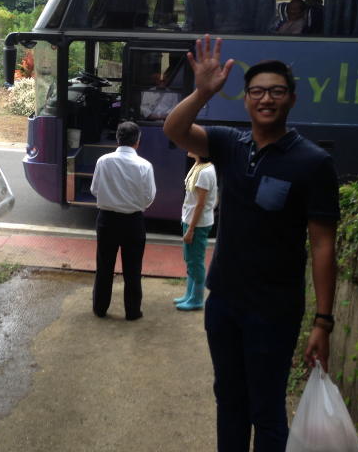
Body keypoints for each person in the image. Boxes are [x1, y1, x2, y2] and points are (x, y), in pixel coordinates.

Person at [163, 35, 339, 452]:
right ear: (245, 100)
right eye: (257, 91)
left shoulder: (314, 162)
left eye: (276, 91)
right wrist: (203, 92)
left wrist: (323, 322)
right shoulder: (229, 144)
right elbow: (175, 130)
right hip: (224, 302)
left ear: (292, 99)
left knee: (267, 409)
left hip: (274, 309)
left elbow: (323, 246)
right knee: (229, 400)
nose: (266, 99)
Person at [90, 121, 157, 320]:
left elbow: (94, 189)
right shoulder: (145, 165)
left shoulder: (103, 161)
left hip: (107, 220)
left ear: (117, 139)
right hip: (133, 222)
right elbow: (149, 197)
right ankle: (132, 312)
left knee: (104, 267)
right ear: (138, 141)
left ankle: (100, 309)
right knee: (133, 269)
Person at [173, 151, 217, 311]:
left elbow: (201, 204)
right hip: (191, 220)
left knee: (196, 261)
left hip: (197, 224)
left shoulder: (205, 172)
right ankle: (189, 295)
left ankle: (196, 299)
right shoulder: (200, 166)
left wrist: (191, 229)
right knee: (191, 259)